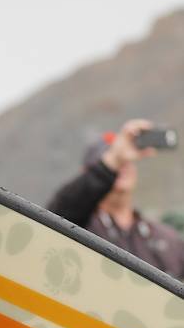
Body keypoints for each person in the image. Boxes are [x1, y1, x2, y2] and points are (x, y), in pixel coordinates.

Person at [47, 118, 184, 278]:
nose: (123, 164)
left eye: (128, 160)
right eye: (115, 160)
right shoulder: (76, 227)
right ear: (88, 173)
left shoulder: (166, 237)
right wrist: (115, 159)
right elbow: (58, 213)